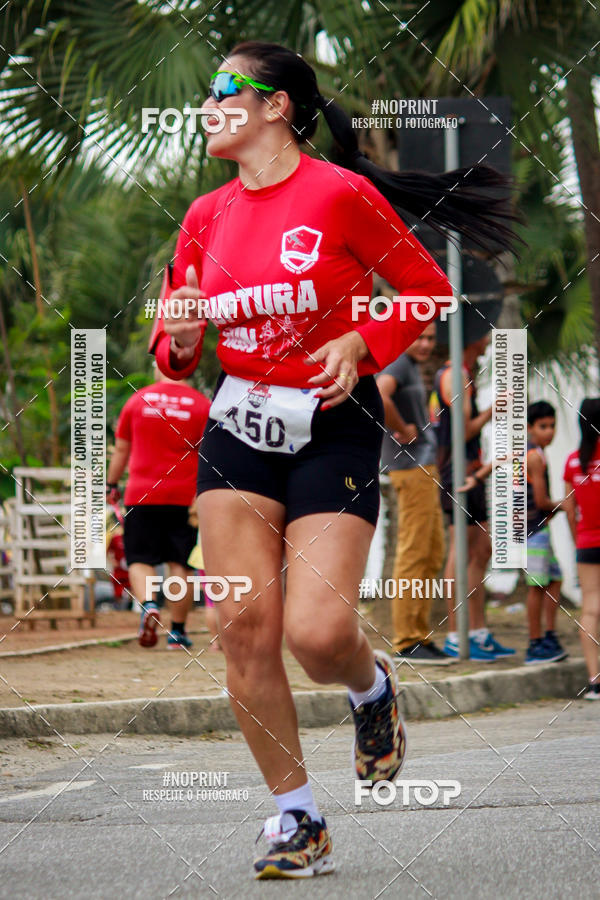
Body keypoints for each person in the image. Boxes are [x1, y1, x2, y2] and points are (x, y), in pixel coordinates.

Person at [150, 42, 517, 878]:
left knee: (317, 636)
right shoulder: (205, 215)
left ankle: (371, 689)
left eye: (224, 89)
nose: (207, 103)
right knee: (243, 630)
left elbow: (426, 291)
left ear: (277, 107)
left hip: (333, 425)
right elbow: (176, 345)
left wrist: (364, 338)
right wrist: (175, 342)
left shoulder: (340, 194)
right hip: (238, 424)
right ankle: (298, 818)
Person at [106, 365, 210, 649]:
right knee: (181, 564)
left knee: (141, 559)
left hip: (142, 495)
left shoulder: (137, 400)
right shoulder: (202, 404)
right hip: (184, 497)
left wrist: (110, 484)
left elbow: (121, 450)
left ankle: (150, 605)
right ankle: (177, 632)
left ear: (157, 367)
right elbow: (209, 453)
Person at [434, 336, 516, 661]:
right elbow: (463, 430)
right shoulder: (455, 374)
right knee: (461, 549)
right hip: (456, 472)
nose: (486, 342)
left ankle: (478, 632)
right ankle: (456, 634)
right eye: (483, 335)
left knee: (482, 548)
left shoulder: (464, 372)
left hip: (470, 467)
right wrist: (492, 411)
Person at [377, 323, 453, 664]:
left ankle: (419, 635)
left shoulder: (410, 367)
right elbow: (380, 394)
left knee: (432, 551)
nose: (424, 344)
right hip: (411, 469)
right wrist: (401, 427)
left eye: (430, 339)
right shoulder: (398, 364)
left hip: (423, 468)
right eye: (418, 337)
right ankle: (407, 640)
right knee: (414, 552)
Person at [524, 401, 568, 664]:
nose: (549, 432)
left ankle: (549, 634)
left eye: (552, 426)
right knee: (536, 586)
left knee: (555, 579)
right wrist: (566, 503)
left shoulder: (536, 452)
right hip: (533, 531)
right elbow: (541, 501)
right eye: (543, 426)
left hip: (539, 528)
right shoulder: (534, 457)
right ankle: (535, 643)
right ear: (530, 427)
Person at [563, 398, 600, 697]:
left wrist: (577, 540)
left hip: (587, 543)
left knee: (591, 608)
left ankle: (594, 681)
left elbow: (568, 506)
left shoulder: (574, 461)